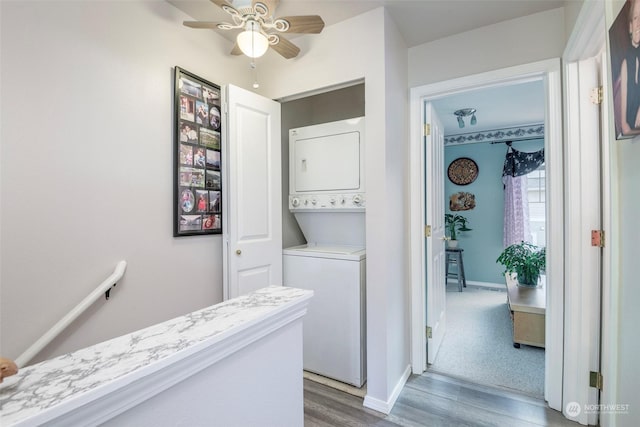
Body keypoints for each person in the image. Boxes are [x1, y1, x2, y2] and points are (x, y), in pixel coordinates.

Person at [620, 0, 640, 135]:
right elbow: (623, 123)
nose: (639, 23)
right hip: (631, 128)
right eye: (635, 18)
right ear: (630, 27)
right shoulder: (626, 62)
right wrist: (626, 126)